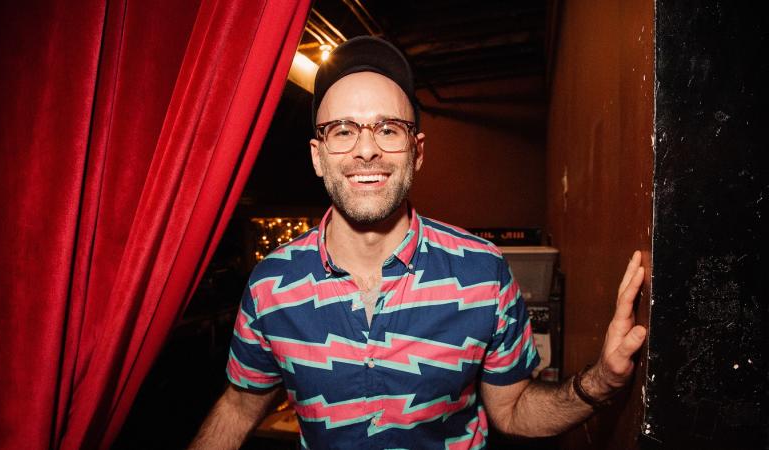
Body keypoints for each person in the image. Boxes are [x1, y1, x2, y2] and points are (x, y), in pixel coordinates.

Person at [189, 36, 647, 450]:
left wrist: (602, 381)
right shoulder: (271, 285)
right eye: (343, 131)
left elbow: (512, 411)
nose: (366, 150)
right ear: (317, 156)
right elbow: (238, 407)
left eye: (388, 129)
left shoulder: (482, 271)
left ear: (418, 151)